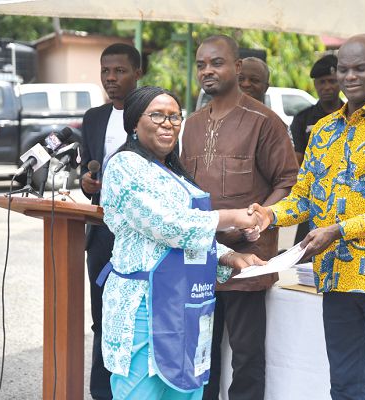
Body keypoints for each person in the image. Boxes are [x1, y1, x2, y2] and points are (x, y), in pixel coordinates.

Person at [249, 34, 365, 400]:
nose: (349, 77)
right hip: (334, 279)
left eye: (360, 68)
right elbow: (303, 198)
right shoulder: (324, 130)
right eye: (342, 69)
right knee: (344, 387)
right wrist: (269, 214)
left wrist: (338, 230)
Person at [98, 85, 266, 399]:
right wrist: (231, 217)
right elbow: (168, 225)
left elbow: (187, 236)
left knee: (185, 391)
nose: (168, 123)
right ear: (134, 122)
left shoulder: (174, 172)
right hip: (144, 307)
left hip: (185, 304)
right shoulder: (124, 167)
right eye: (157, 115)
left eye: (175, 117)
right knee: (141, 393)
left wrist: (228, 257)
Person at [181, 35, 299, 400]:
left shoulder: (264, 121)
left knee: (247, 356)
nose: (207, 71)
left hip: (248, 262)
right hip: (202, 258)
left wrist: (263, 215)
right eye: (201, 65)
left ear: (237, 67)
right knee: (200, 352)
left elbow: (289, 181)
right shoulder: (194, 124)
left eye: (216, 63)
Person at [80, 42, 142, 400]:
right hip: (102, 233)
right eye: (105, 71)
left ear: (137, 73)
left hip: (139, 233)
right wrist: (86, 182)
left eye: (119, 71)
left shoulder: (154, 114)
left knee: (135, 315)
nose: (110, 78)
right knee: (102, 316)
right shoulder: (93, 118)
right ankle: (101, 391)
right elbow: (86, 167)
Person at [290, 54, 343, 245]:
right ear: (315, 85)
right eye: (322, 82)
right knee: (305, 252)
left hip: (345, 198)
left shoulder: (353, 115)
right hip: (314, 197)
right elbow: (298, 160)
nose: (327, 87)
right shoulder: (303, 119)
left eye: (332, 81)